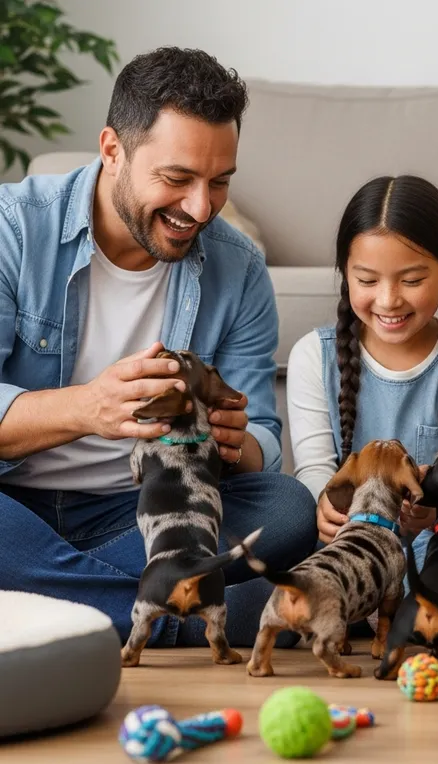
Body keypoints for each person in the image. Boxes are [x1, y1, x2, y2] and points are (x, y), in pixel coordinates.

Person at [0, 46, 317, 649]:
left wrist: (238, 443)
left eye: (218, 182)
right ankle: (178, 615)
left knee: (288, 509)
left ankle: (57, 608)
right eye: (177, 179)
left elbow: (266, 446)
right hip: (15, 509)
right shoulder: (13, 231)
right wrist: (88, 408)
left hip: (146, 517)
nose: (200, 208)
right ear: (112, 150)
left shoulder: (239, 268)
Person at [286, 174, 438, 543]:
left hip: (434, 549)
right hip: (345, 550)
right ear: (346, 275)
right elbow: (314, 471)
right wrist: (323, 502)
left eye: (411, 280)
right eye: (368, 281)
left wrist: (435, 511)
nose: (388, 300)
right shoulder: (312, 356)